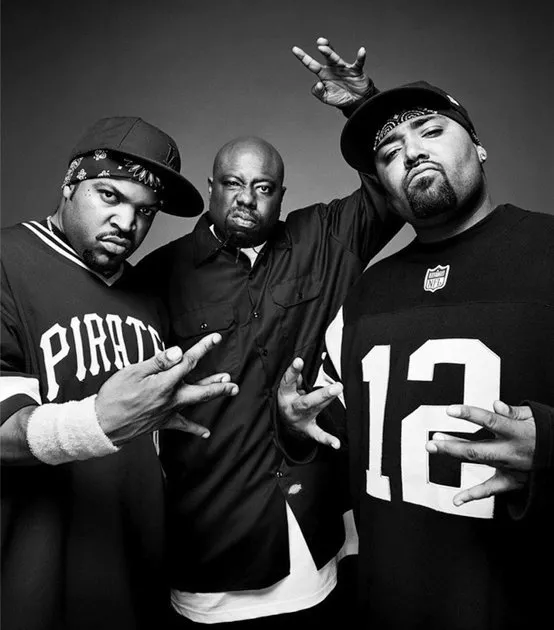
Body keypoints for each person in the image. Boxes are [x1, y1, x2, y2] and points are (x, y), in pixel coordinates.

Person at [136, 38, 401, 627]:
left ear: (282, 194)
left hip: (315, 535)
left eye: (263, 188)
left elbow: (392, 194)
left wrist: (362, 108)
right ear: (210, 187)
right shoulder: (158, 276)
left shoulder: (324, 238)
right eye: (233, 184)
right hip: (213, 545)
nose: (246, 199)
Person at [277, 79, 554, 629]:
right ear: (382, 185)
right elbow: (339, 434)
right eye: (389, 152)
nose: (412, 152)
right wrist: (296, 423)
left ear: (479, 146)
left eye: (431, 131)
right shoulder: (365, 293)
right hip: (388, 602)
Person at [0, 116, 239, 630]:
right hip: (34, 582)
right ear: (70, 183)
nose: (126, 222)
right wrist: (97, 422)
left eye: (144, 210)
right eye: (109, 196)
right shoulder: (7, 263)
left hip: (137, 578)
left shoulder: (148, 295)